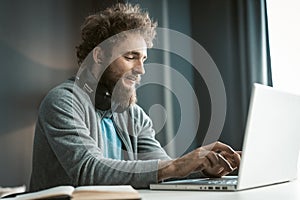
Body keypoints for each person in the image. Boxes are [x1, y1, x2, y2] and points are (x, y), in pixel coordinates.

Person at [29, 3, 240, 192]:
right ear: (99, 55)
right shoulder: (62, 102)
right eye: (131, 57)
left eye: (144, 59)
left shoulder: (134, 115)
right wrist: (177, 165)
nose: (141, 70)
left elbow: (163, 170)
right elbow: (88, 170)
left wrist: (205, 164)